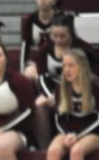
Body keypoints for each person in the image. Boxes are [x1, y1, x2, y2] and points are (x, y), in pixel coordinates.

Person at [24, 14, 96, 149]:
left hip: (78, 90)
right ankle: (43, 147)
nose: (58, 40)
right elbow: (42, 77)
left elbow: (89, 76)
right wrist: (51, 95)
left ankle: (82, 136)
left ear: (71, 34)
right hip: (53, 90)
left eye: (63, 36)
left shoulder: (83, 49)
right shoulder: (44, 50)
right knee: (40, 106)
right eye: (54, 36)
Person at [46, 49, 99, 160]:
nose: (66, 70)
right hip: (68, 130)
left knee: (76, 152)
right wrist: (67, 134)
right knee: (53, 151)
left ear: (82, 67)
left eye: (71, 65)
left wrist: (78, 136)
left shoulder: (94, 86)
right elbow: (58, 117)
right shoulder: (62, 87)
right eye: (64, 66)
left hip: (91, 132)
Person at [21, 0, 62, 65]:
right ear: (36, 0)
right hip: (37, 61)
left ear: (54, 0)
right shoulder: (30, 20)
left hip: (58, 59)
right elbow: (25, 47)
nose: (43, 0)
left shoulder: (61, 19)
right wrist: (24, 65)